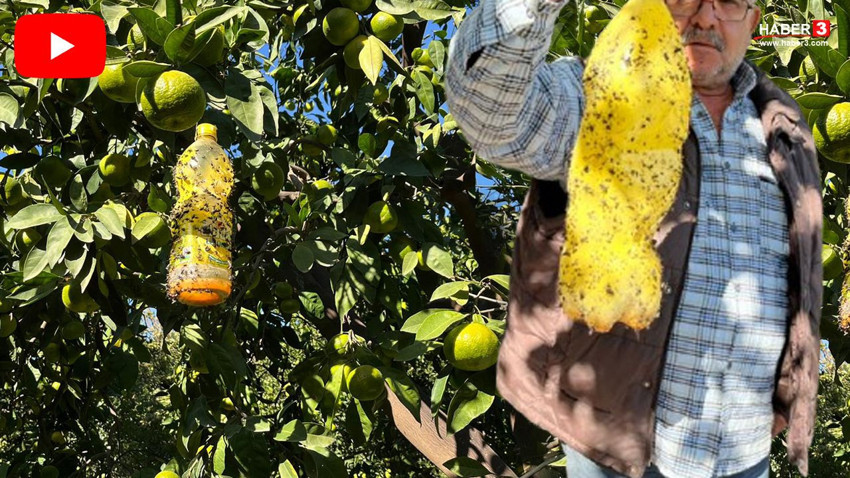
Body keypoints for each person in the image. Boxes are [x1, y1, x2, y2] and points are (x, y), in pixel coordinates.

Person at [444, 0, 823, 477]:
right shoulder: (602, 91)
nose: (705, 17)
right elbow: (491, 113)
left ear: (753, 21)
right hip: (624, 455)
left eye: (727, 2)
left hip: (745, 454)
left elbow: (798, 283)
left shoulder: (786, 130)